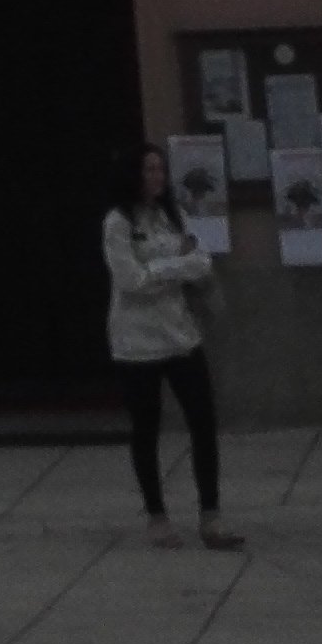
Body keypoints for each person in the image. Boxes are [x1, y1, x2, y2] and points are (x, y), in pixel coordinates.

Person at [103, 144, 241, 546]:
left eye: (161, 169)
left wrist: (164, 268)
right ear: (133, 174)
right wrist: (173, 266)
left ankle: (211, 515)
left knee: (203, 422)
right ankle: (157, 515)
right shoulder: (117, 223)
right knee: (146, 428)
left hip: (180, 335)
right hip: (137, 342)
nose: (158, 177)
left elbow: (201, 261)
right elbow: (131, 281)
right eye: (149, 170)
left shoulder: (168, 215)